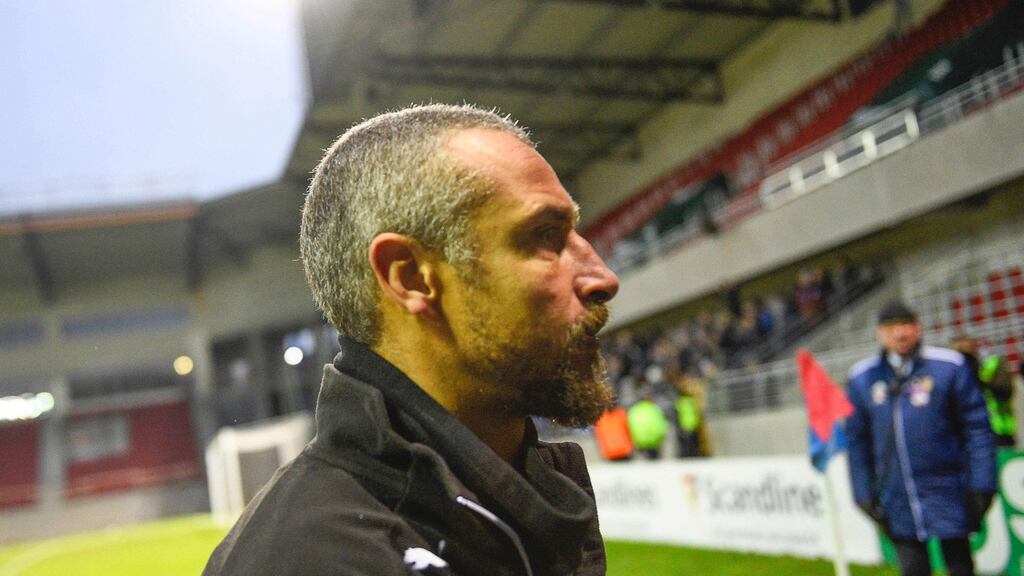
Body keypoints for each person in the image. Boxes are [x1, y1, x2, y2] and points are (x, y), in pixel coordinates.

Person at [203, 104, 620, 576]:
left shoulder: (526, 493)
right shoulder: (303, 560)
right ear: (411, 278)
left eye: (574, 232)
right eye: (545, 236)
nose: (603, 276)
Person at [846, 301, 997, 576]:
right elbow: (857, 442)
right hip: (896, 496)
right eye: (892, 328)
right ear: (880, 333)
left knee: (961, 566)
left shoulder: (948, 366)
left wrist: (983, 484)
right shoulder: (863, 378)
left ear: (918, 328)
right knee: (913, 569)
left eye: (906, 326)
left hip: (950, 491)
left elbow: (978, 429)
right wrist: (863, 494)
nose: (900, 334)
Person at [950, 334, 1017, 447]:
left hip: (997, 430)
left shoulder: (992, 364)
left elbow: (1005, 392)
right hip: (965, 433)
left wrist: (980, 379)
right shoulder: (952, 373)